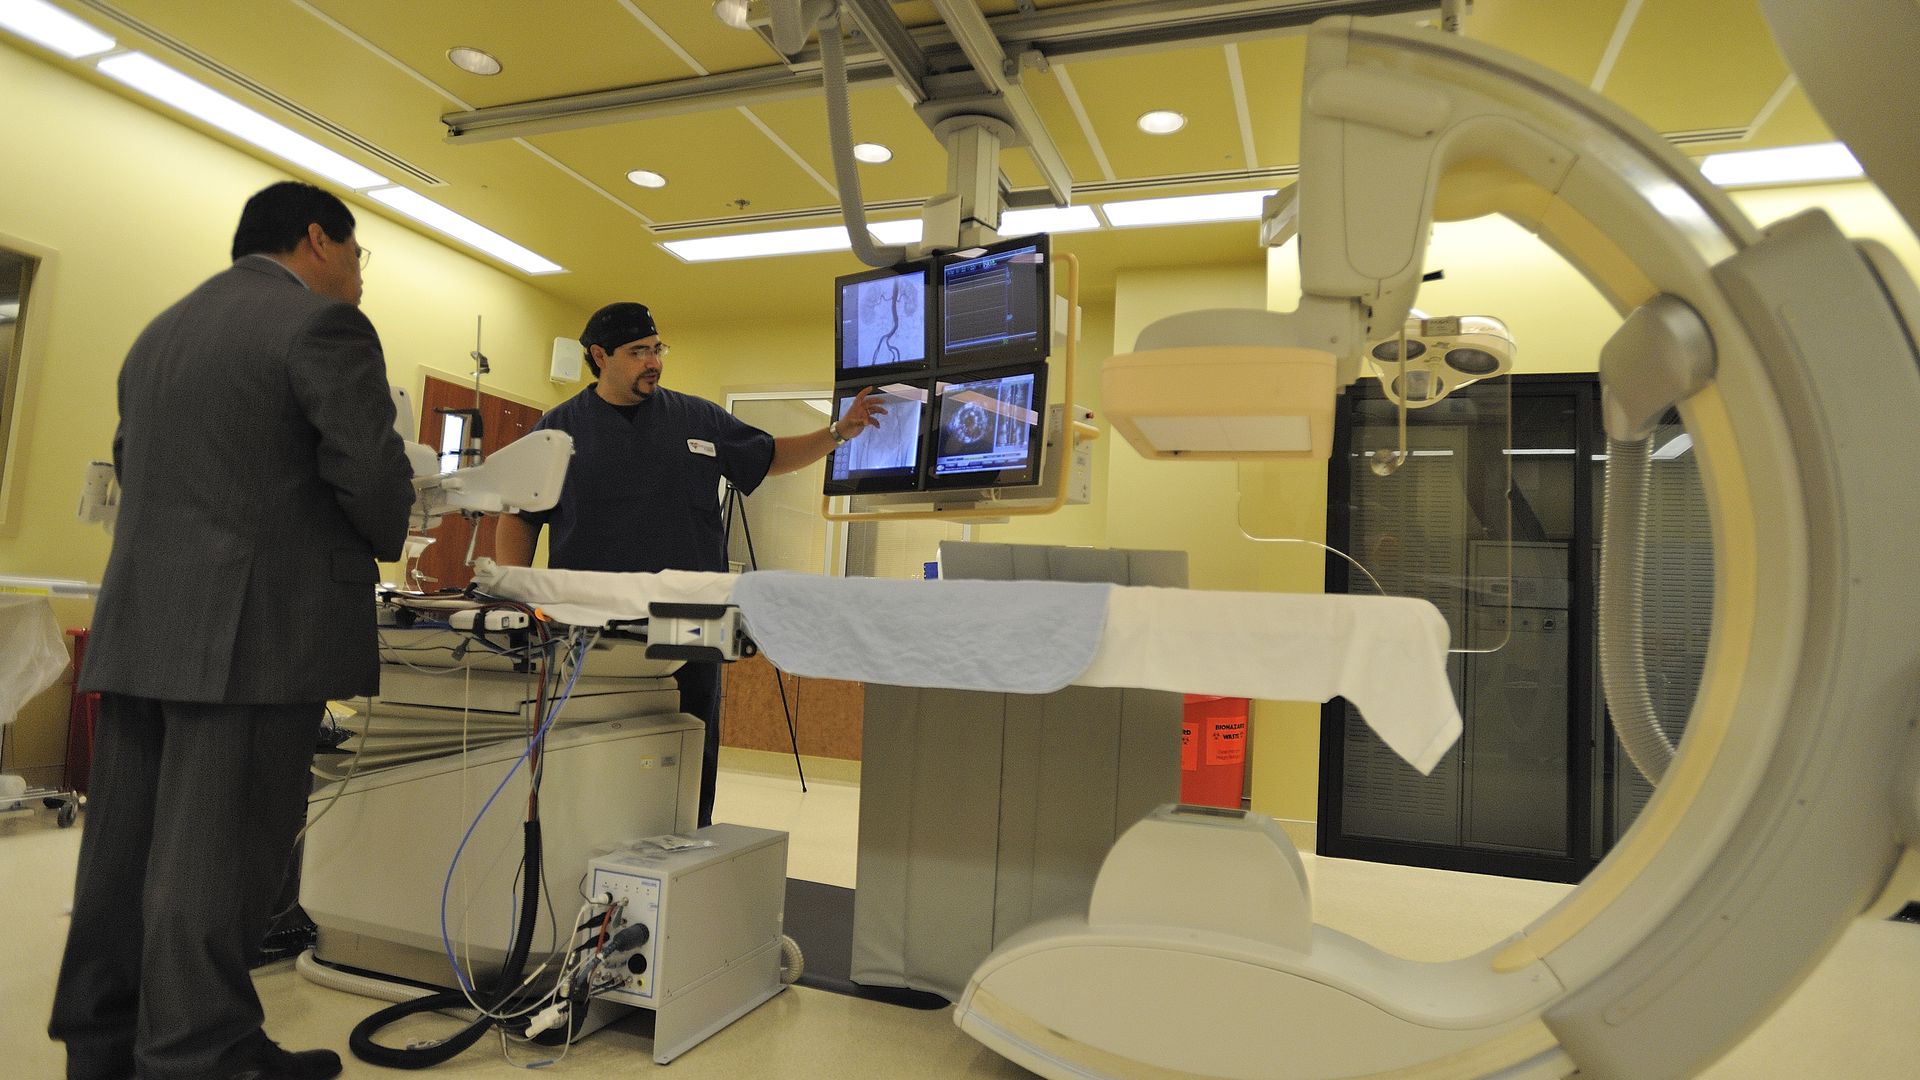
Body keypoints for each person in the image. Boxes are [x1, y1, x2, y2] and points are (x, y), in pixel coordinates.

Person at [49, 182, 415, 1080]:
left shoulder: (160, 334)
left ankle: (103, 1042)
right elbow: (369, 475)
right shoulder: (321, 328)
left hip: (143, 626)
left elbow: (139, 468)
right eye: (360, 256)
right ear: (319, 240)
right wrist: (389, 524)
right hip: (255, 634)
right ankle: (199, 1053)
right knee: (220, 860)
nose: (361, 278)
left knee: (123, 856)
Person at [492, 302, 883, 827]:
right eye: (638, 352)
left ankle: (686, 853)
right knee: (594, 752)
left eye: (658, 350)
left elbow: (767, 457)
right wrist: (520, 599)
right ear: (599, 356)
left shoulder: (696, 418)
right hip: (594, 626)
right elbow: (518, 516)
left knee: (690, 750)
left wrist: (837, 433)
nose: (653, 362)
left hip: (691, 621)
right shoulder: (557, 431)